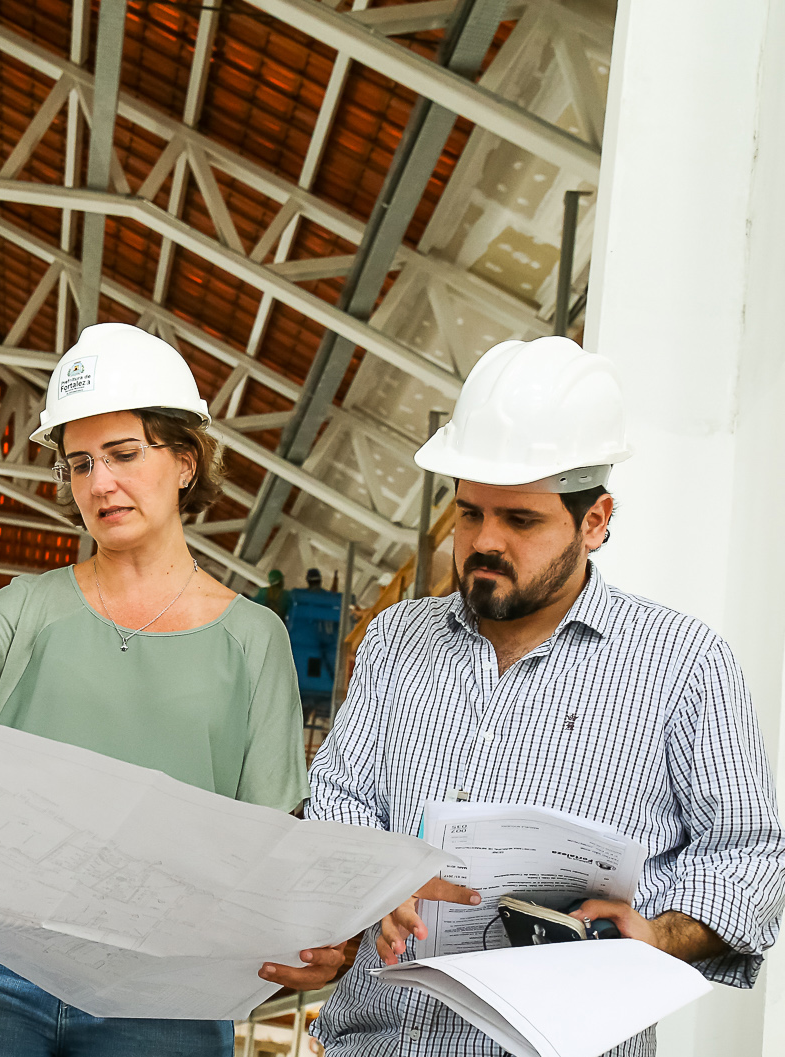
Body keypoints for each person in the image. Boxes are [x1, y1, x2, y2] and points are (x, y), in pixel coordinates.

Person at [307, 337, 785, 1056]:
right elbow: (338, 798)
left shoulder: (683, 664)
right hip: (374, 1041)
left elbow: (749, 855)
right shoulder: (395, 641)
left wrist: (655, 934)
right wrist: (375, 882)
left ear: (595, 521)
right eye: (470, 514)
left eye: (520, 520)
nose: (484, 541)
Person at [0, 323, 341, 1057]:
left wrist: (303, 930)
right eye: (80, 463)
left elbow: (265, 843)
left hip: (162, 988)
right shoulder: (25, 607)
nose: (99, 483)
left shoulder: (255, 640)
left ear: (186, 461)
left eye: (125, 454)